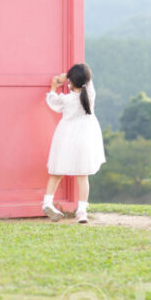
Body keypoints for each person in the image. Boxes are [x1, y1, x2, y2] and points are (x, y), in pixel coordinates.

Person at [42, 63, 105, 223]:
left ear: (71, 82)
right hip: (85, 138)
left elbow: (52, 102)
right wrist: (71, 76)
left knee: (56, 172)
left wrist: (54, 86)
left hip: (66, 137)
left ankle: (47, 202)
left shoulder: (67, 99)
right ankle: (82, 211)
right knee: (82, 175)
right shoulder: (90, 94)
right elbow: (87, 77)